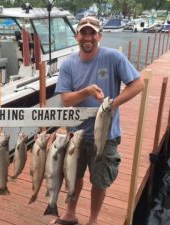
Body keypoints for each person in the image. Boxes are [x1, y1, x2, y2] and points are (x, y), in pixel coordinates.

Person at [51, 16, 145, 225]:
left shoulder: (113, 57)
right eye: (83, 32)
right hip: (76, 134)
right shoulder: (68, 64)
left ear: (99, 36)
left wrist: (113, 105)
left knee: (100, 180)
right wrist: (86, 91)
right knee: (73, 175)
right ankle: (70, 213)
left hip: (106, 134)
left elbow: (138, 84)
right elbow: (66, 100)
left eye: (92, 33)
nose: (87, 37)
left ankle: (93, 220)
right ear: (76, 36)